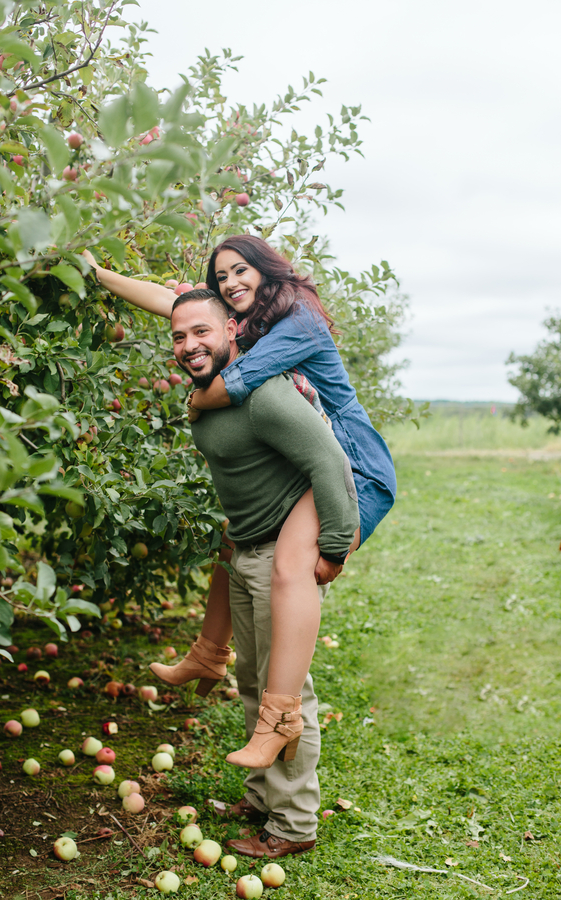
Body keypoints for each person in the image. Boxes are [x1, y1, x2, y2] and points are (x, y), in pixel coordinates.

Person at [82, 237, 396, 767]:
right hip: (308, 466)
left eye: (239, 271)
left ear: (267, 270)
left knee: (291, 568)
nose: (229, 284)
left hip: (352, 468)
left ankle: (282, 717)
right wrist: (99, 275)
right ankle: (208, 655)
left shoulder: (298, 320)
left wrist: (198, 398)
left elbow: (237, 381)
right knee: (235, 542)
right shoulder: (242, 318)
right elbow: (172, 300)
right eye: (221, 276)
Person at [169, 289, 359, 857]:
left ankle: (294, 824)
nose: (189, 345)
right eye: (178, 336)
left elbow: (328, 461)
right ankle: (263, 800)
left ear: (231, 328)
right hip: (247, 553)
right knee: (254, 681)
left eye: (201, 332)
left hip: (284, 558)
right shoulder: (211, 395)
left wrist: (331, 549)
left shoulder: (264, 394)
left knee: (288, 694)